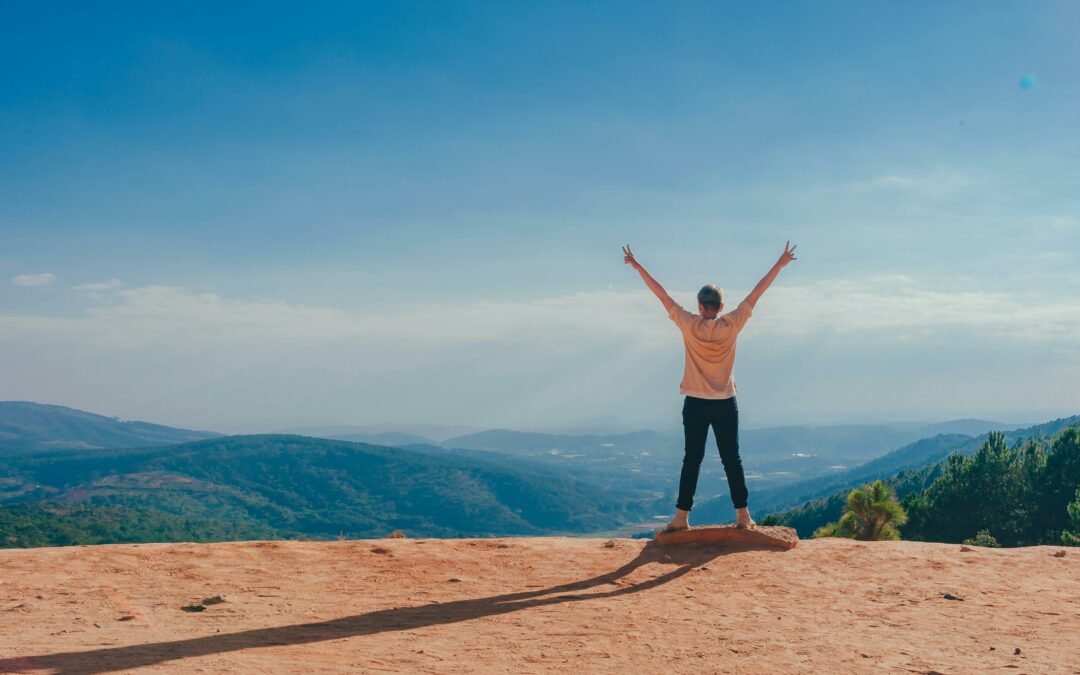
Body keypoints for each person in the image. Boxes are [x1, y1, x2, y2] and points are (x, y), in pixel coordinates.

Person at [622, 242, 797, 531]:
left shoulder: (688, 324)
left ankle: (681, 517)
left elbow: (661, 295)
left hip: (695, 402)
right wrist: (780, 263)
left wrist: (638, 266)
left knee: (692, 459)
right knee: (732, 459)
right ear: (721, 307)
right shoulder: (733, 323)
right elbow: (757, 293)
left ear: (700, 306)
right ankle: (743, 515)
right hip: (726, 401)